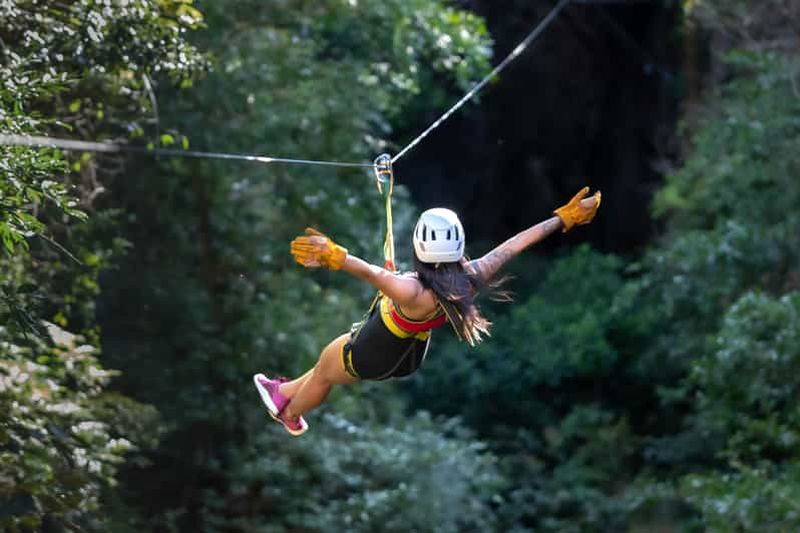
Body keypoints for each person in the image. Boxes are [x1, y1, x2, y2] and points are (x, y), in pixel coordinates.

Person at [254, 186, 601, 436]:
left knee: (324, 372)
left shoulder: (411, 290)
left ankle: (290, 413)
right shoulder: (469, 278)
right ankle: (281, 393)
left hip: (371, 351)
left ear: (419, 247)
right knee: (322, 369)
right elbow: (514, 245)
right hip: (406, 357)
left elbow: (372, 273)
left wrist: (335, 255)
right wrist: (561, 219)